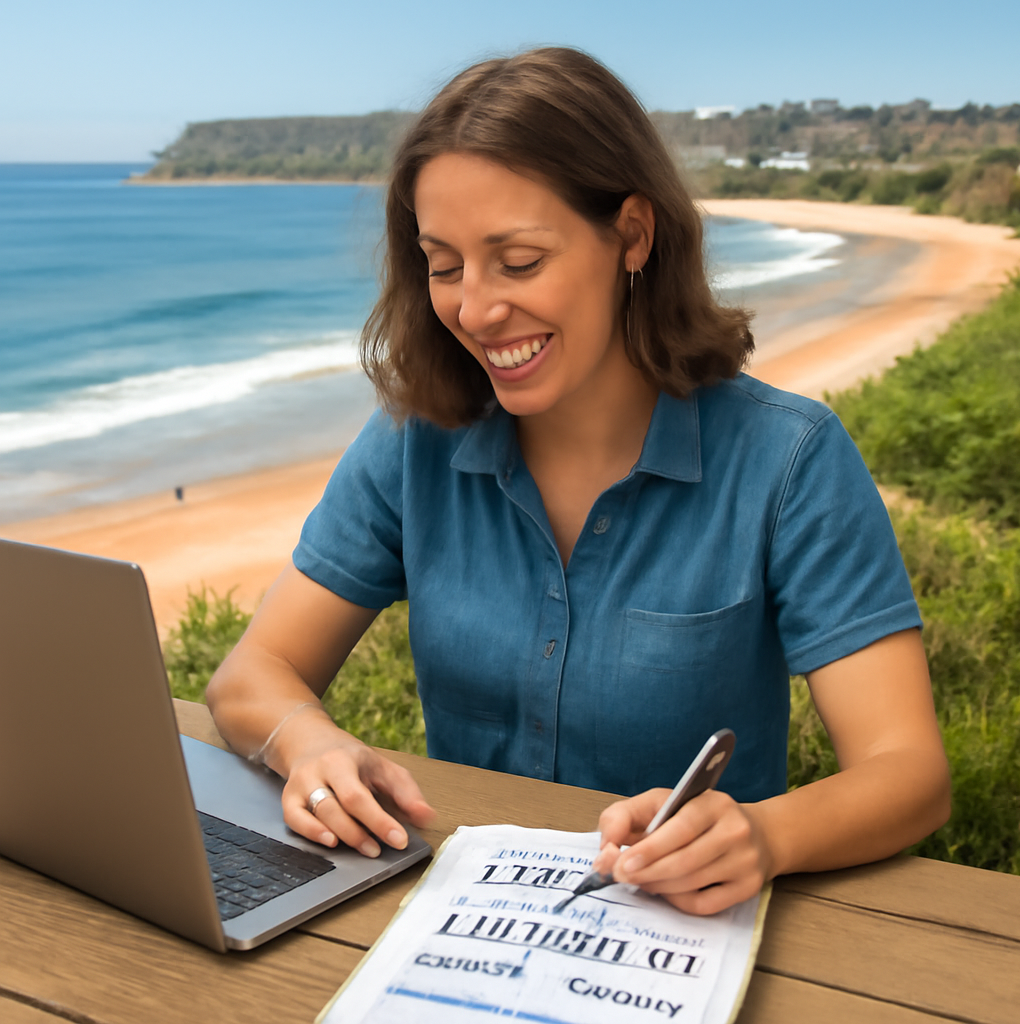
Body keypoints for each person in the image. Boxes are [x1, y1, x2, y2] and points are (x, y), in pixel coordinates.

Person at [205, 47, 950, 915]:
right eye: (444, 266)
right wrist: (310, 743)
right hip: (457, 929)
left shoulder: (790, 460)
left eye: (518, 262)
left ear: (632, 234)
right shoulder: (415, 443)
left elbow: (910, 775)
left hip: (684, 940)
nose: (476, 311)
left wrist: (769, 834)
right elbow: (252, 673)